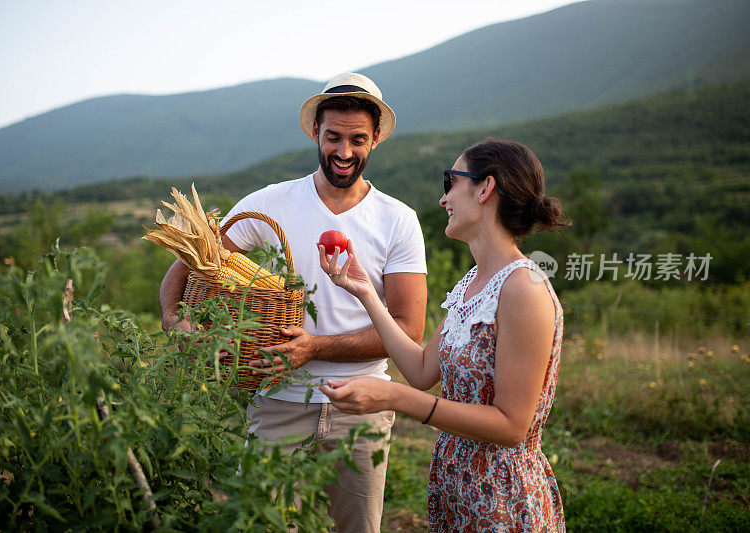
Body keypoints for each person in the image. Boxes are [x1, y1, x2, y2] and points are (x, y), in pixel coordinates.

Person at [159, 72, 427, 533]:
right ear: (315, 134)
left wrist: (315, 348)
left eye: (357, 139)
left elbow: (408, 330)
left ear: (376, 139)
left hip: (360, 404)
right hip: (276, 398)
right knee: (257, 524)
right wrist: (172, 318)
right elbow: (192, 259)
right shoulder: (271, 204)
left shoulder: (398, 220)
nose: (344, 152)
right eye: (333, 137)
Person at [318, 138, 568, 531]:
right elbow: (421, 370)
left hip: (501, 496)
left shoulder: (524, 288)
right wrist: (367, 293)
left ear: (485, 188)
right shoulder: (474, 281)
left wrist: (396, 398)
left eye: (451, 182)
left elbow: (511, 426)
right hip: (458, 486)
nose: (443, 198)